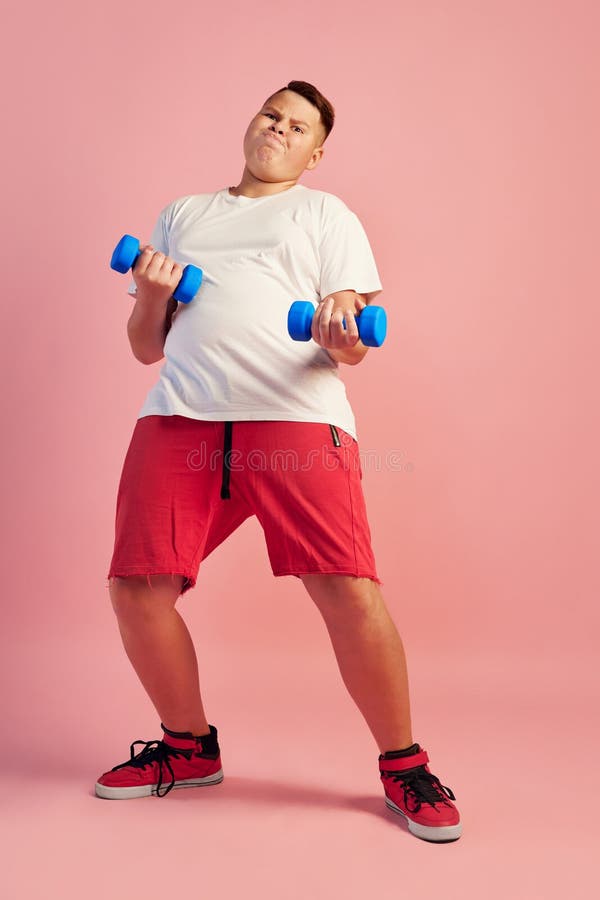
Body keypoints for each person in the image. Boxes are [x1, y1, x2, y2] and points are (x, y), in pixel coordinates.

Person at [96, 80, 462, 843]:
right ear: (249, 122)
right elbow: (144, 345)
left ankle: (404, 763)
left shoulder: (325, 214)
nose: (278, 129)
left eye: (298, 127)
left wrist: (340, 333)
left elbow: (353, 343)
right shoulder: (184, 214)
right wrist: (152, 294)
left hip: (294, 419)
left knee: (347, 590)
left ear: (315, 152)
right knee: (137, 588)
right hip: (180, 418)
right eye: (271, 114)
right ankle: (188, 748)